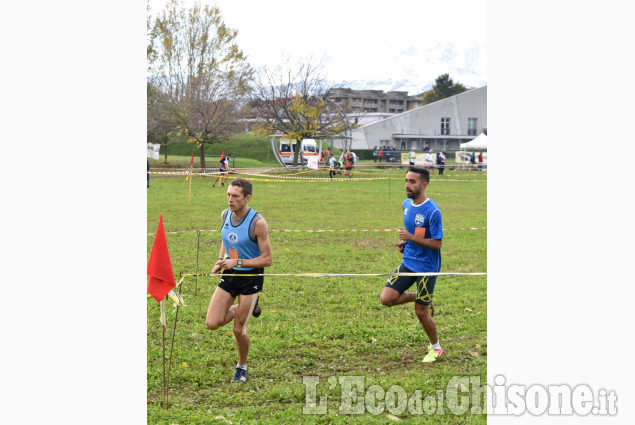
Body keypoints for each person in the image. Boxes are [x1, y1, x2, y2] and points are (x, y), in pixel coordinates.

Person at [206, 178, 273, 383]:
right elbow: (226, 241)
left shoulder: (257, 222)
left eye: (235, 196)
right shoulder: (225, 215)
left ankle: (241, 366)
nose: (230, 199)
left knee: (238, 328)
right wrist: (220, 260)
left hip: (250, 277)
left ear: (247, 198)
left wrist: (239, 261)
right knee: (212, 323)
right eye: (228, 195)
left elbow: (267, 259)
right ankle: (248, 305)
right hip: (230, 274)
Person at [380, 166, 444, 363]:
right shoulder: (406, 204)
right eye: (406, 180)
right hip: (408, 262)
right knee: (386, 299)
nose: (407, 185)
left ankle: (436, 348)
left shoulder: (433, 211)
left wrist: (411, 238)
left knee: (420, 312)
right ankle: (421, 297)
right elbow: (416, 233)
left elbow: (437, 243)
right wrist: (406, 242)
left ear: (423, 184)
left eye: (412, 181)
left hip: (427, 268)